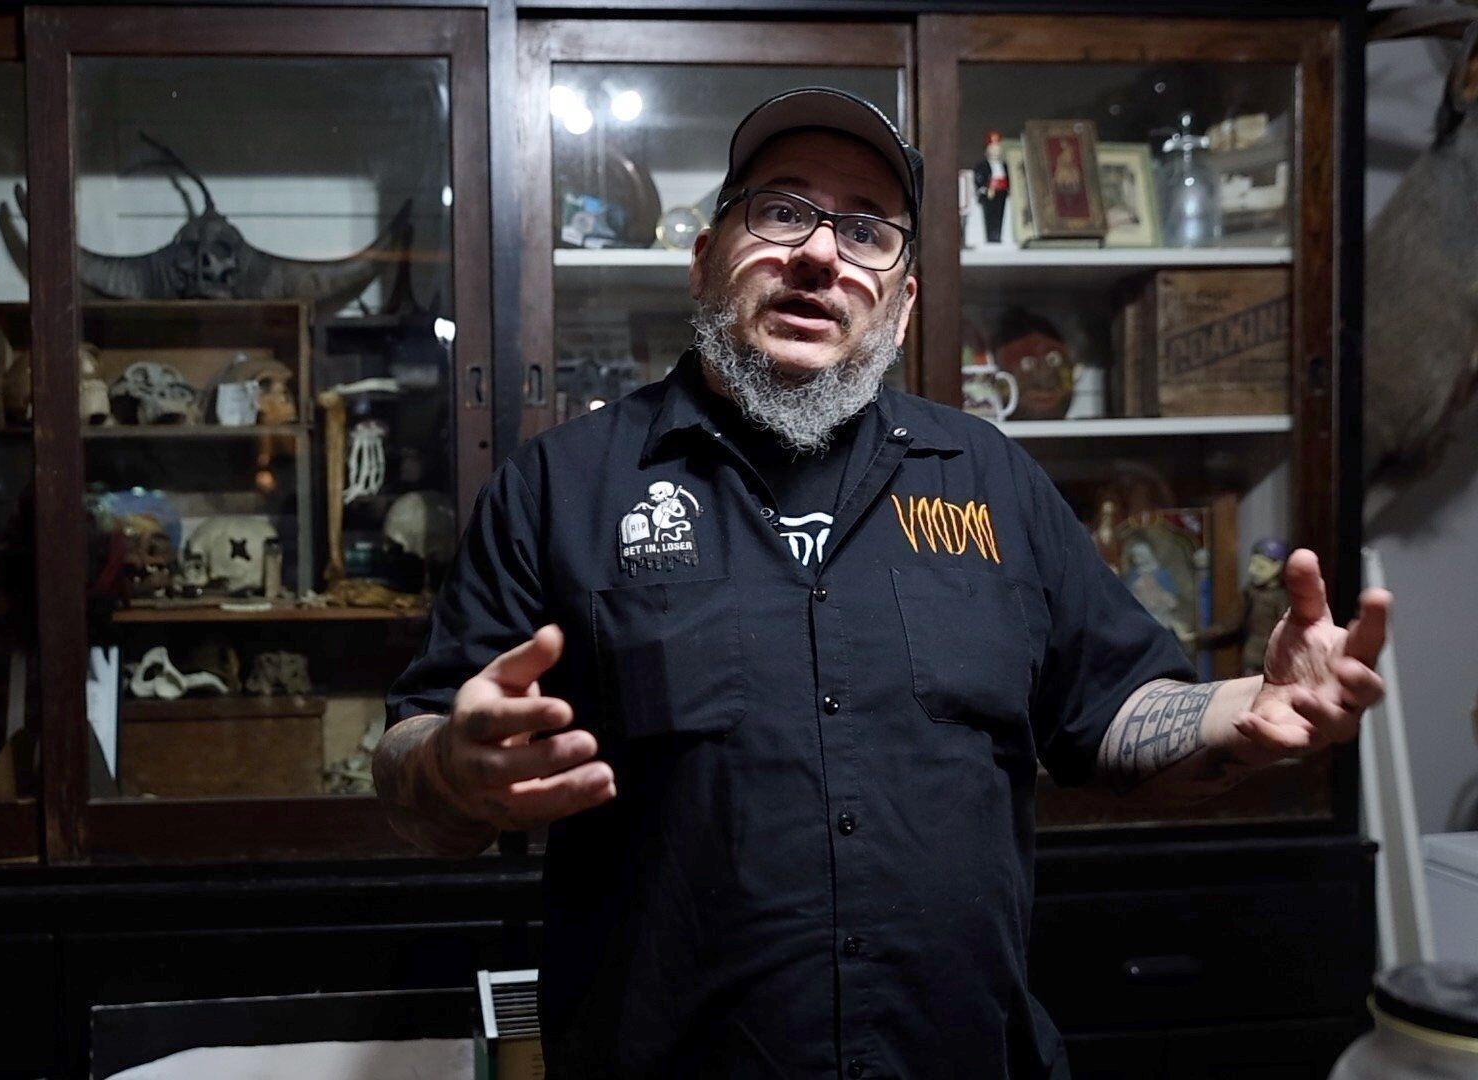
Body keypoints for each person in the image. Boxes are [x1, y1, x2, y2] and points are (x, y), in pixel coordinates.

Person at [373, 87, 1390, 1079]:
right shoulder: (562, 489)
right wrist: (454, 772)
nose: (820, 252)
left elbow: (1117, 706)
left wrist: (1251, 704)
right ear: (703, 260)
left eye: (867, 232)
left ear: (902, 303)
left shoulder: (991, 482)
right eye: (781, 211)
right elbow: (410, 755)